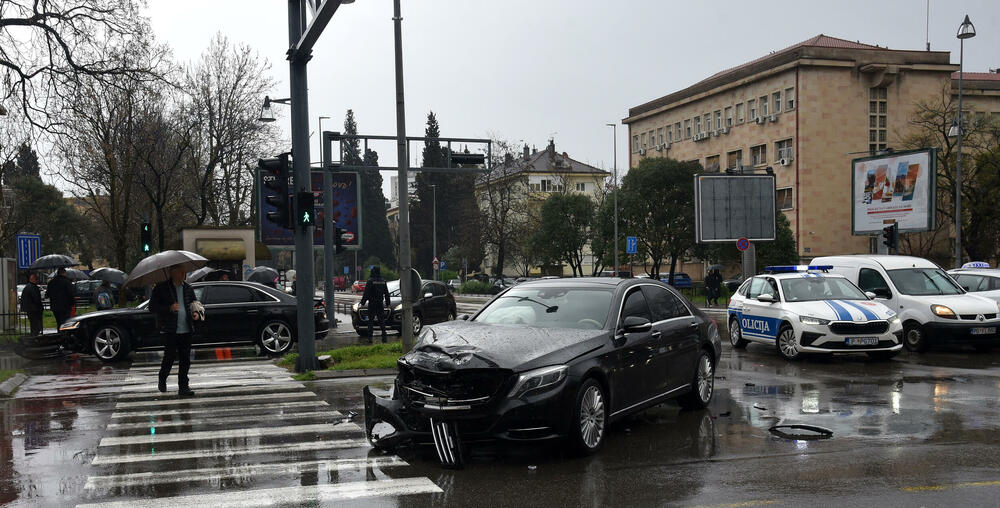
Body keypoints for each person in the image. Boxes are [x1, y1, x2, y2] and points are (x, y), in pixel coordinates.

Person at [150, 265, 200, 396]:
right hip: (170, 330)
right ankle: (162, 377)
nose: (183, 274)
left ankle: (183, 387)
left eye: (184, 272)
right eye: (180, 272)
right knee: (169, 358)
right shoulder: (161, 288)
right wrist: (169, 308)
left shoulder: (188, 288)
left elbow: (194, 304)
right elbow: (152, 307)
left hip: (187, 329)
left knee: (185, 360)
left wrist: (196, 313)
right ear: (172, 273)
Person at [360, 266, 391, 343]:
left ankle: (370, 337)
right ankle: (384, 335)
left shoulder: (370, 281)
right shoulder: (383, 281)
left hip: (372, 304)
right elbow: (386, 293)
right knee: (381, 321)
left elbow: (366, 293)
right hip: (380, 304)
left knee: (370, 321)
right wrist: (388, 303)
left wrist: (362, 303)